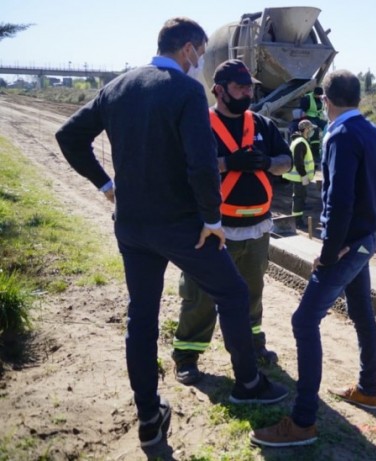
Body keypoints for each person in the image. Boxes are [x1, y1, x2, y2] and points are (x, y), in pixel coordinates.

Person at [54, 18, 288, 449]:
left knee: (140, 319)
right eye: (199, 51)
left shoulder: (117, 87)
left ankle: (148, 416)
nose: (200, 59)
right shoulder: (185, 91)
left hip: (132, 226)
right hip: (184, 227)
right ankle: (248, 384)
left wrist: (107, 185)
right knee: (233, 294)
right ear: (187, 50)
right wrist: (212, 220)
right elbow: (201, 164)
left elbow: (69, 136)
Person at [250, 69, 376, 447]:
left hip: (349, 244)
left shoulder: (338, 135)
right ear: (358, 98)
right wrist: (372, 210)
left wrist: (329, 252)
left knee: (304, 321)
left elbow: (338, 202)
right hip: (365, 237)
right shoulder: (372, 131)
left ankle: (303, 422)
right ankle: (368, 389)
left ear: (325, 100)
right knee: (362, 312)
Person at [171, 59, 293, 385]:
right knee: (200, 295)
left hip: (256, 229)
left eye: (249, 86)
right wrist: (227, 163)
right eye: (239, 87)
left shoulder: (263, 125)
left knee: (252, 292)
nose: (247, 92)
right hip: (212, 230)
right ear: (219, 90)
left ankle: (253, 345)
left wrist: (268, 162)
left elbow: (286, 161)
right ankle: (186, 355)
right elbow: (186, 168)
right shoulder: (200, 124)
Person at [282, 119, 316, 229]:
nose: (311, 131)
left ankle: (298, 218)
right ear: (306, 129)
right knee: (298, 198)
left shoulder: (299, 141)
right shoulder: (301, 142)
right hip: (299, 177)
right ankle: (297, 221)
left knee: (299, 198)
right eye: (310, 129)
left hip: (298, 176)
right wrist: (304, 175)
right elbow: (298, 161)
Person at [299, 87, 326, 165]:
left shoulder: (321, 98)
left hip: (318, 118)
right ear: (315, 94)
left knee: (327, 126)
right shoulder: (307, 98)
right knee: (315, 129)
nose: (319, 97)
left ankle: (324, 148)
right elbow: (303, 110)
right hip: (309, 117)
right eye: (318, 95)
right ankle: (315, 153)